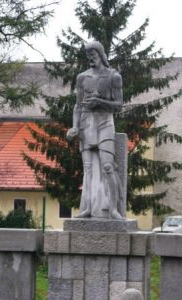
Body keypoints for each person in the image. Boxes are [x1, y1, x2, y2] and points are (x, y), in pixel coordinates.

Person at [67, 41, 124, 219]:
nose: (90, 58)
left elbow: (119, 105)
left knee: (108, 166)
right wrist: (74, 126)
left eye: (93, 54)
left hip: (105, 122)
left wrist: (99, 102)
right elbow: (77, 106)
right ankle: (87, 208)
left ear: (100, 54)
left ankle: (114, 209)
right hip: (86, 124)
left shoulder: (114, 76)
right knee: (88, 170)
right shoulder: (82, 77)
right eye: (88, 55)